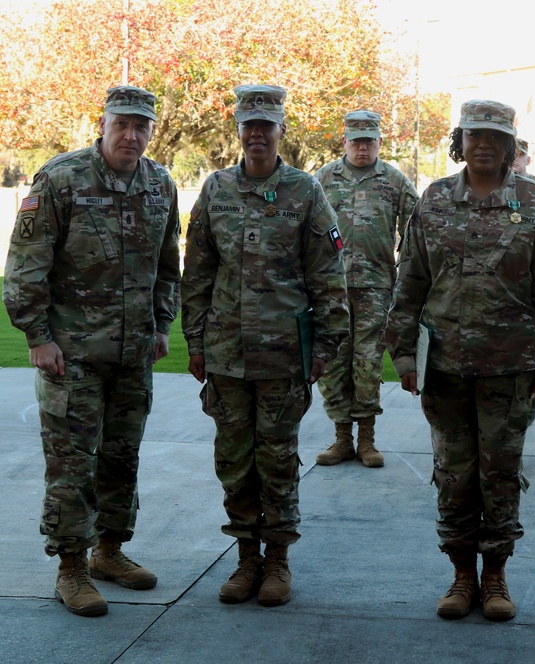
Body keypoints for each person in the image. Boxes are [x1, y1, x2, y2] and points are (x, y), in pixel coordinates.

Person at [384, 99, 535, 622]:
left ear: (511, 144)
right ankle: (460, 575)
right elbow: (411, 283)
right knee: (453, 472)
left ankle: (495, 574)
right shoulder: (434, 199)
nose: (485, 145)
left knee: (499, 471)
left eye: (496, 137)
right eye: (475, 135)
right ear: (461, 140)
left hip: (511, 365)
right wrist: (404, 352)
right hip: (444, 365)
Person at [3, 86, 181, 617]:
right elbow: (25, 266)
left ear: (151, 130)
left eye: (141, 126)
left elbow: (168, 264)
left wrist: (161, 325)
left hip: (133, 353)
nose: (131, 135)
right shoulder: (61, 178)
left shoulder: (160, 183)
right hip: (71, 354)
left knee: (122, 459)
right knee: (71, 465)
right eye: (121, 124)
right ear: (101, 124)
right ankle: (71, 569)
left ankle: (110, 552)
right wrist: (37, 336)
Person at [181, 85, 350, 607]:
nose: (257, 134)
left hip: (283, 356)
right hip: (227, 354)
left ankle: (277, 561)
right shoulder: (216, 190)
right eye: (249, 125)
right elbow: (199, 271)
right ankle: (244, 560)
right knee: (234, 460)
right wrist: (195, 340)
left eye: (266, 125)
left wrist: (325, 346)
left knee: (277, 460)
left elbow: (328, 274)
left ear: (281, 130)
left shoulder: (305, 191)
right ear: (239, 130)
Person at [313, 110, 417, 469]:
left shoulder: (393, 180)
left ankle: (367, 440)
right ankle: (342, 438)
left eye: (369, 141)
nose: (362, 147)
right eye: (356, 141)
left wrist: (406, 272)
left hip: (376, 286)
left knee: (368, 363)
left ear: (379, 143)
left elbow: (416, 230)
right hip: (331, 288)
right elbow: (302, 229)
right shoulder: (323, 178)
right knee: (334, 364)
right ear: (345, 141)